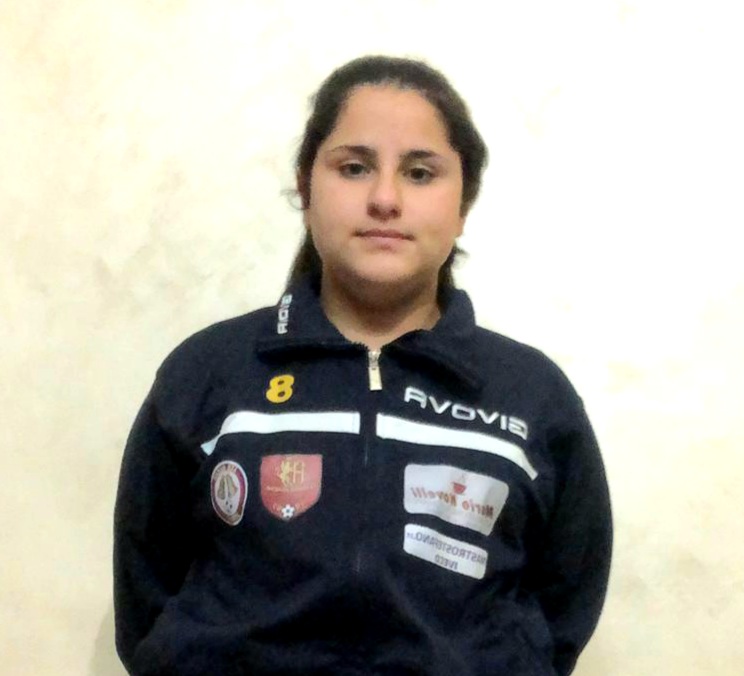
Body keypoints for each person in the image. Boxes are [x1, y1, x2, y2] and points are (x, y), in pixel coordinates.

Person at [114, 55, 612, 676]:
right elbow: (147, 593)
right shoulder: (207, 373)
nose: (384, 199)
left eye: (420, 173)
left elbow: (563, 609)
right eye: (354, 167)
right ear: (306, 187)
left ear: (463, 204)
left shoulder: (531, 396)